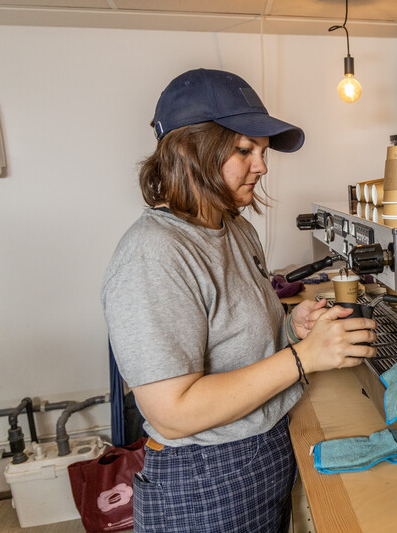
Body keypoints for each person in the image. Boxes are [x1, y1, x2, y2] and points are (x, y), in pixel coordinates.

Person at [101, 68, 377, 532]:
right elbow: (174, 413)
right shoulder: (154, 253)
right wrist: (304, 357)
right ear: (188, 151)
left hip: (263, 451)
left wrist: (295, 329)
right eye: (245, 150)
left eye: (263, 152)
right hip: (203, 480)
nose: (263, 166)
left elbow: (239, 342)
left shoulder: (237, 229)